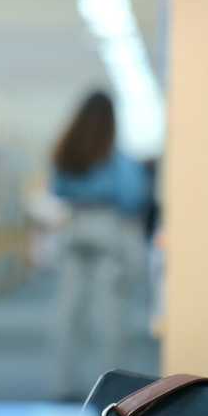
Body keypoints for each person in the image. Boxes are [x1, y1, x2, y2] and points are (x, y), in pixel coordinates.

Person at [49, 91, 149, 400]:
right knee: (111, 316)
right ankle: (111, 387)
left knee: (69, 313)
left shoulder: (66, 152)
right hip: (109, 233)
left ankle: (64, 385)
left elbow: (57, 190)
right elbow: (133, 197)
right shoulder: (117, 159)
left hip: (74, 230)